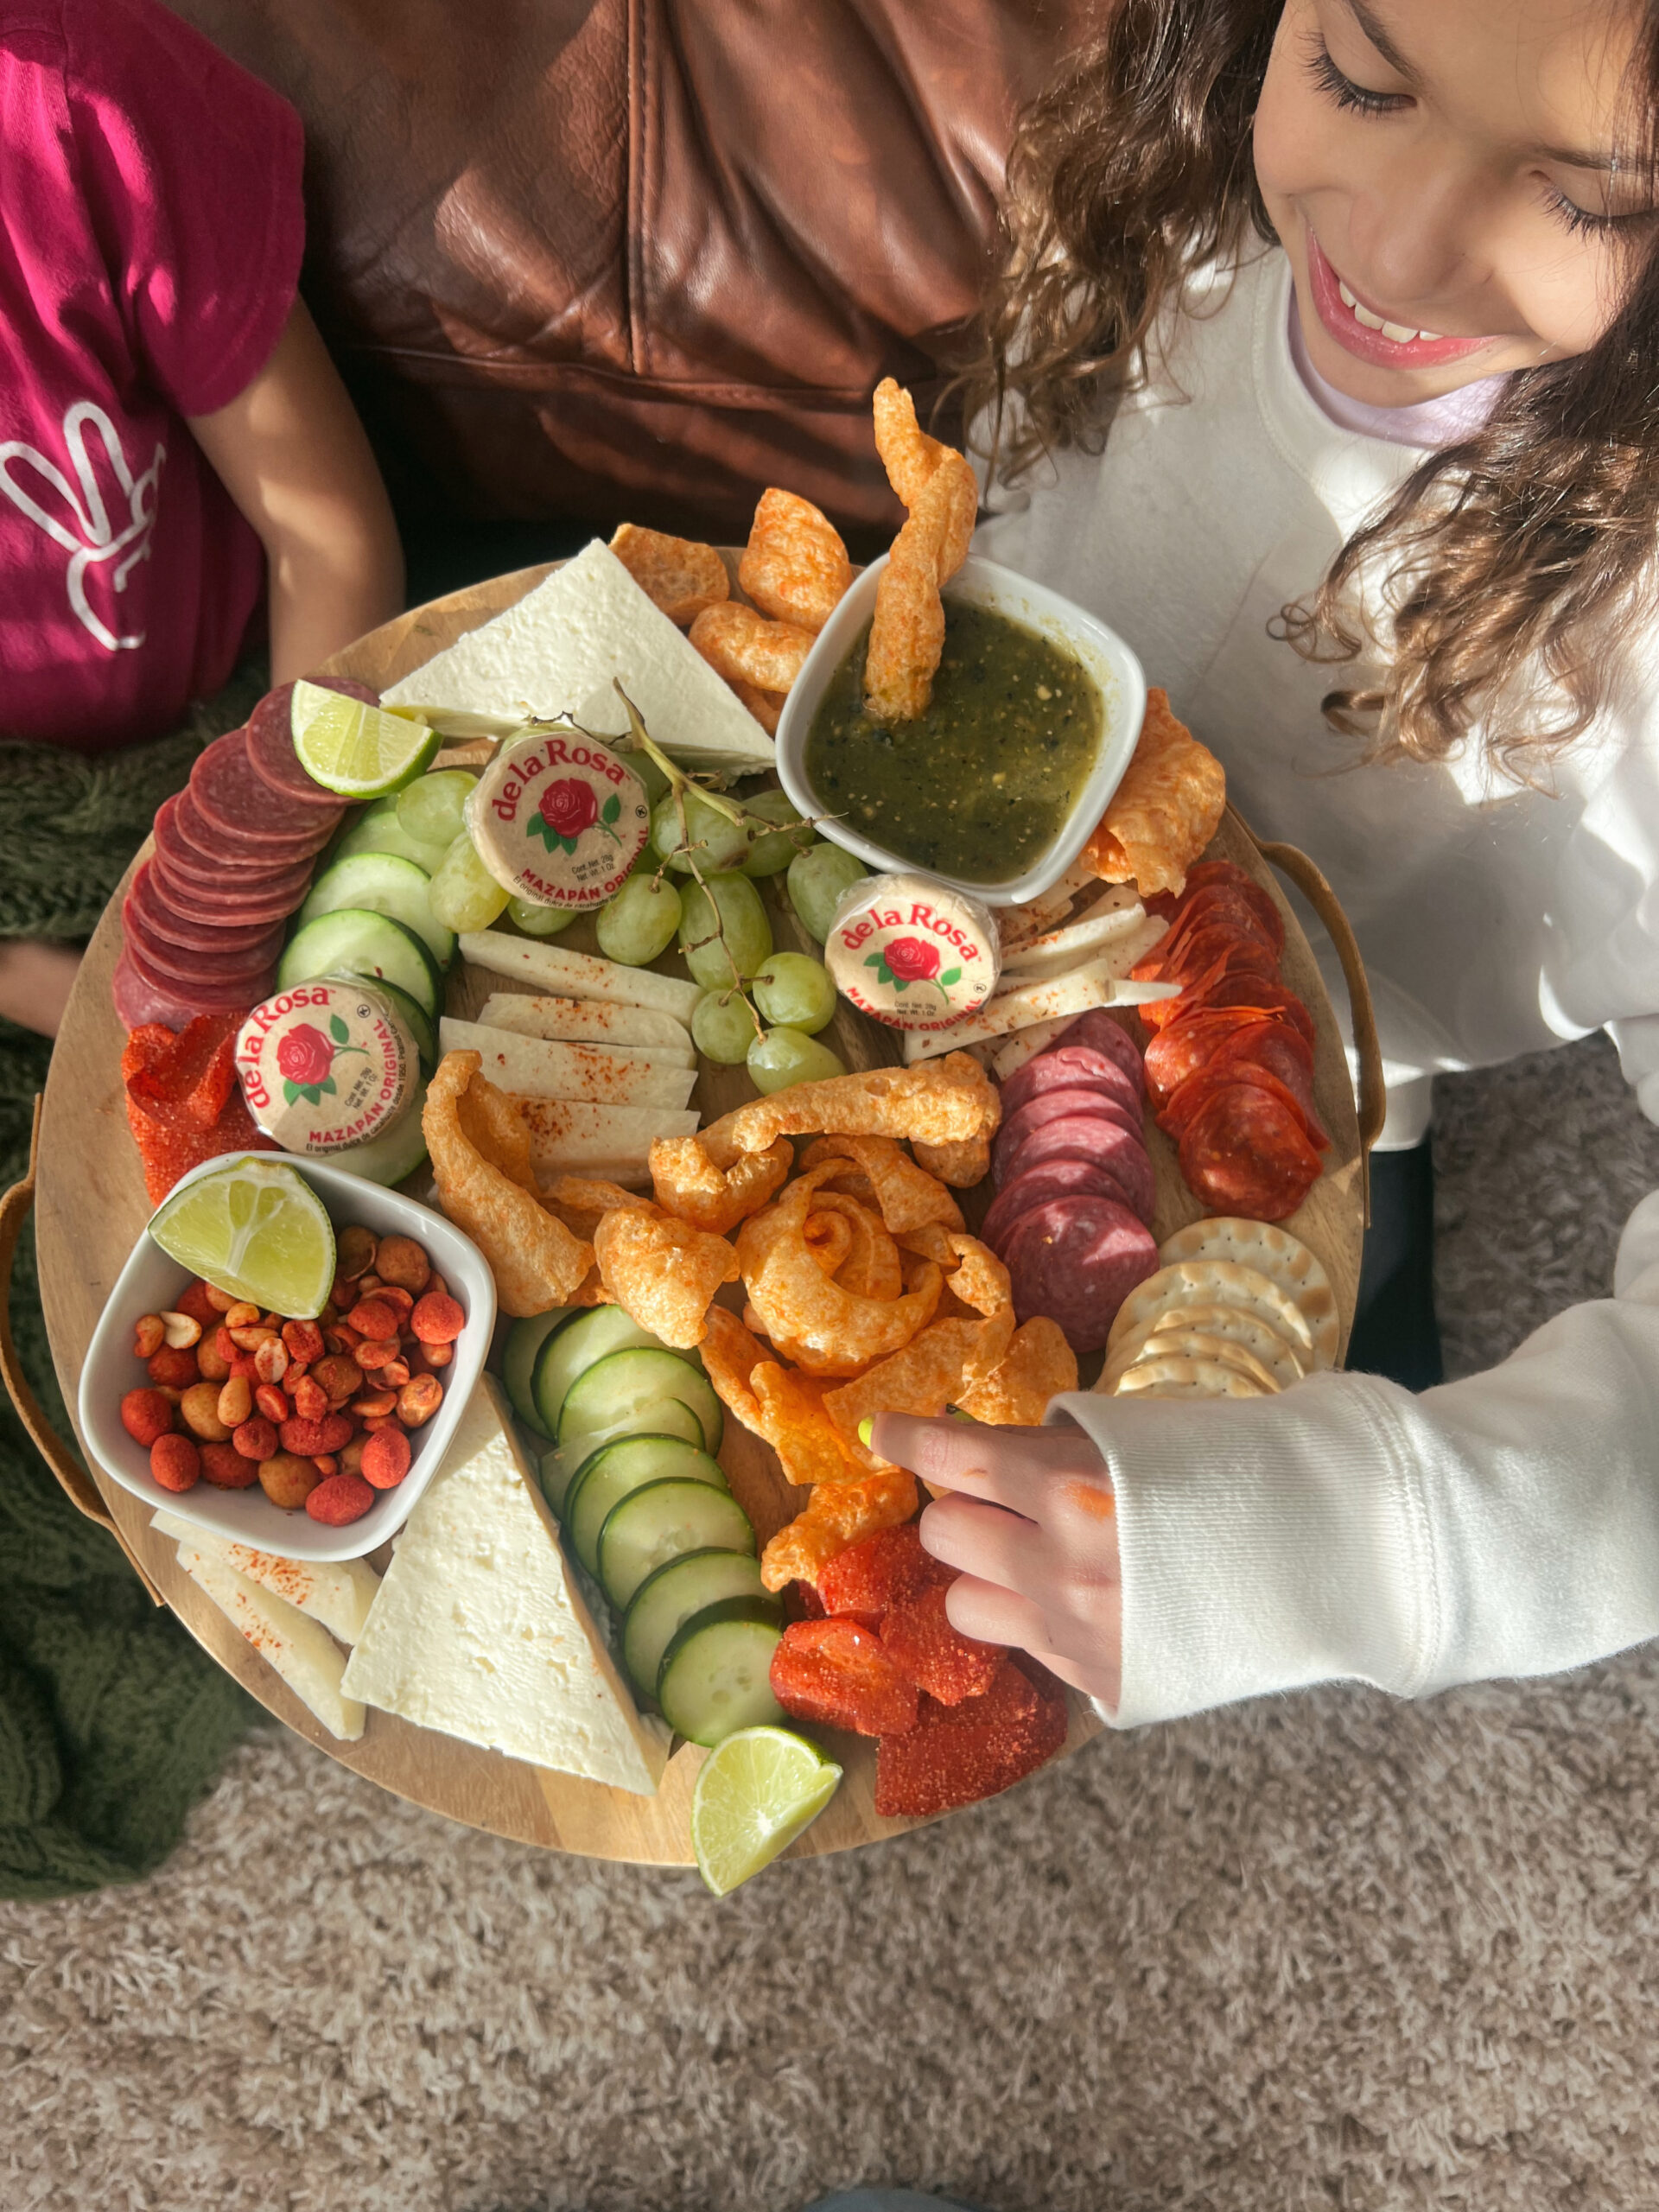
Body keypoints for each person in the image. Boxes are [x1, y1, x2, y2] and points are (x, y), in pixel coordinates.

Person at [874, 0, 1659, 1728]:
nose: (1388, 241)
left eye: (1590, 195)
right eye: (1362, 80)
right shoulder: (1178, 141)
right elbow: (1030, 459)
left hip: (1364, 1034)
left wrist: (1354, 1548)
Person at [0, 0, 404, 1039]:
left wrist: (246, 894)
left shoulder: (80, 92)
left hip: (222, 762)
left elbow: (329, 539)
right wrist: (61, 995)